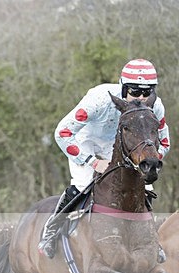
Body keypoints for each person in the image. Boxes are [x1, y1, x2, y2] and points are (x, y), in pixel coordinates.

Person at [39, 58, 171, 258]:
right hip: (85, 140)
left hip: (122, 145)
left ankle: (150, 238)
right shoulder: (98, 99)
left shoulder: (156, 106)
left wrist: (147, 160)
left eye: (147, 92)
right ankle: (51, 230)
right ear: (123, 86)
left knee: (144, 186)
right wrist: (92, 161)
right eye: (135, 91)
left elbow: (165, 143)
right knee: (82, 183)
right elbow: (63, 133)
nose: (142, 98)